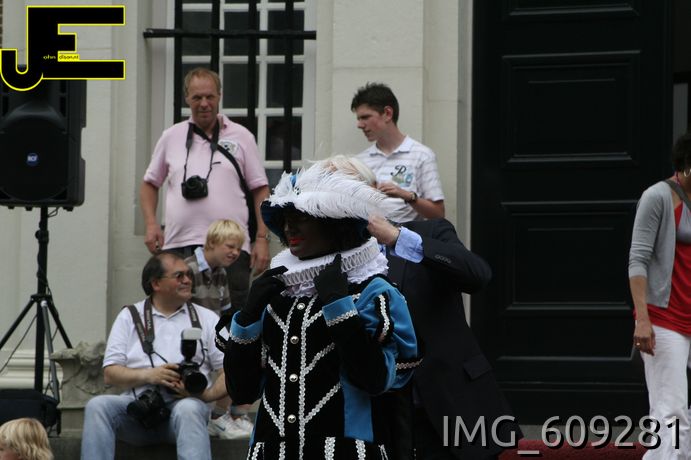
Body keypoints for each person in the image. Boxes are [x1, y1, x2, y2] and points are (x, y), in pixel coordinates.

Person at [325, 155, 522, 459]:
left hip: (452, 404)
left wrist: (398, 238)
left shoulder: (428, 233)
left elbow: (477, 275)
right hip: (376, 416)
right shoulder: (324, 264)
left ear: (370, 193)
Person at [223, 163, 420, 459]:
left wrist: (339, 307)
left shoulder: (372, 292)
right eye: (286, 219)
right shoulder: (276, 293)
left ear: (334, 223)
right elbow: (243, 392)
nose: (289, 228)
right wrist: (248, 318)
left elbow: (376, 381)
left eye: (302, 217)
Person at [140, 67, 271, 314]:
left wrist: (262, 239)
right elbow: (149, 184)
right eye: (197, 97)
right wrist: (150, 225)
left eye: (210, 96)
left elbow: (261, 189)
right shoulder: (171, 136)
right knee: (175, 315)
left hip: (231, 248)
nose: (204, 103)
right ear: (186, 99)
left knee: (232, 319)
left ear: (219, 96)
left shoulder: (242, 136)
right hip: (179, 244)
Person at [80, 251, 227, 460]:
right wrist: (150, 375)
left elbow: (230, 370)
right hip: (138, 410)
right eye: (179, 276)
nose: (187, 280)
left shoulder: (207, 318)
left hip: (183, 413)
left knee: (190, 408)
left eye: (188, 275)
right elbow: (110, 373)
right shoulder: (130, 316)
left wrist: (205, 395)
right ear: (156, 283)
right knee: (98, 406)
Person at [630, 132, 691, 459]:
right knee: (672, 412)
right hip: (665, 319)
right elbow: (637, 259)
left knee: (671, 415)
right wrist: (643, 319)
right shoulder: (657, 197)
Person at [184, 219, 253, 439]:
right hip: (190, 337)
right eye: (230, 246)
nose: (235, 253)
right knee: (234, 359)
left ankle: (233, 414)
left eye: (238, 249)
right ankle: (218, 417)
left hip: (212, 333)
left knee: (244, 352)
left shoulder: (221, 273)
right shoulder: (188, 270)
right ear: (212, 242)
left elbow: (223, 313)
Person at [351, 82, 445, 223]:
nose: (359, 125)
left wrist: (407, 196)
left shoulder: (422, 155)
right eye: (358, 119)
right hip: (369, 235)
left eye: (365, 117)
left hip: (407, 234)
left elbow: (438, 213)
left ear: (388, 113)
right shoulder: (360, 161)